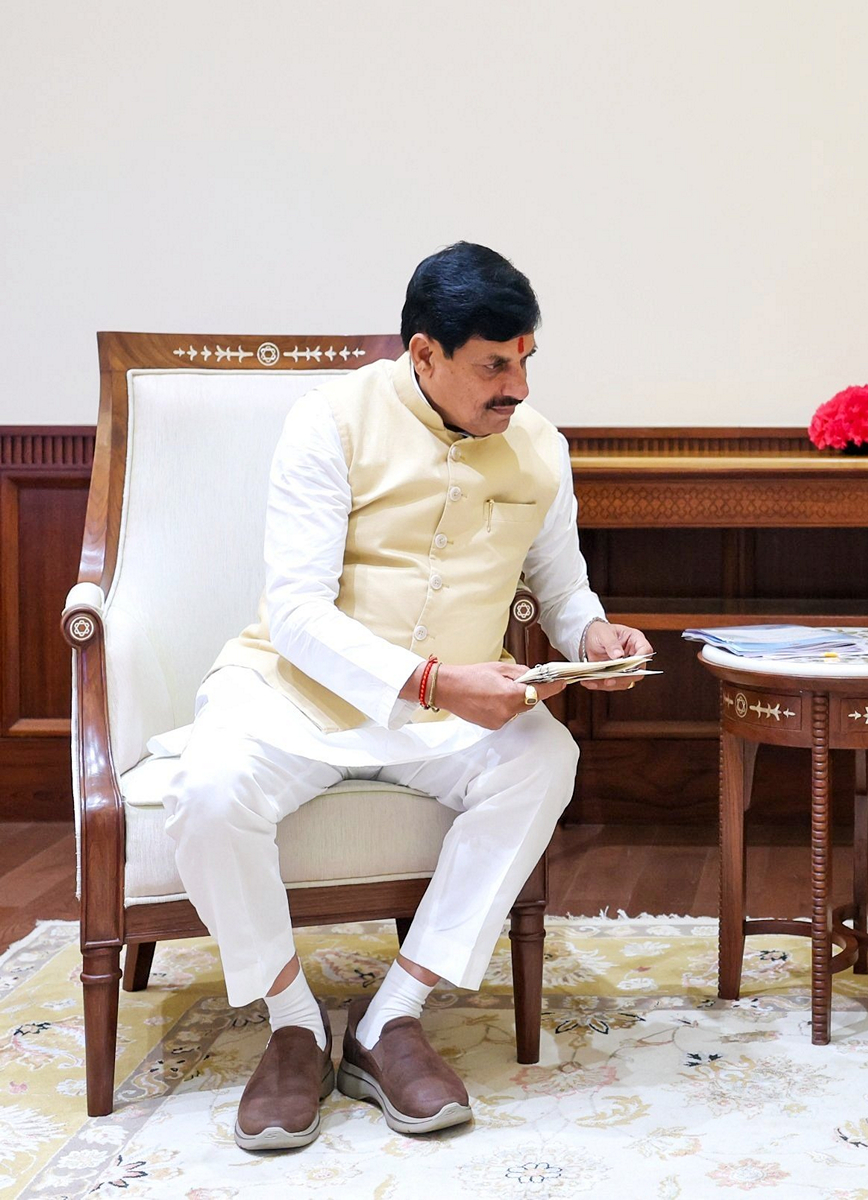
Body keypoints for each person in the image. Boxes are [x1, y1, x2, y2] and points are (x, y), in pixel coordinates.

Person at [156, 241, 651, 1150]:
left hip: (450, 713)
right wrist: (431, 681)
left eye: (526, 360)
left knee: (546, 760)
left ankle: (392, 1018)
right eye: (492, 366)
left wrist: (593, 638)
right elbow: (298, 613)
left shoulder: (541, 447)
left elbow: (565, 587)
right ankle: (295, 1023)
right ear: (423, 354)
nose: (518, 388)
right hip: (295, 697)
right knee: (206, 793)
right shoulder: (329, 420)